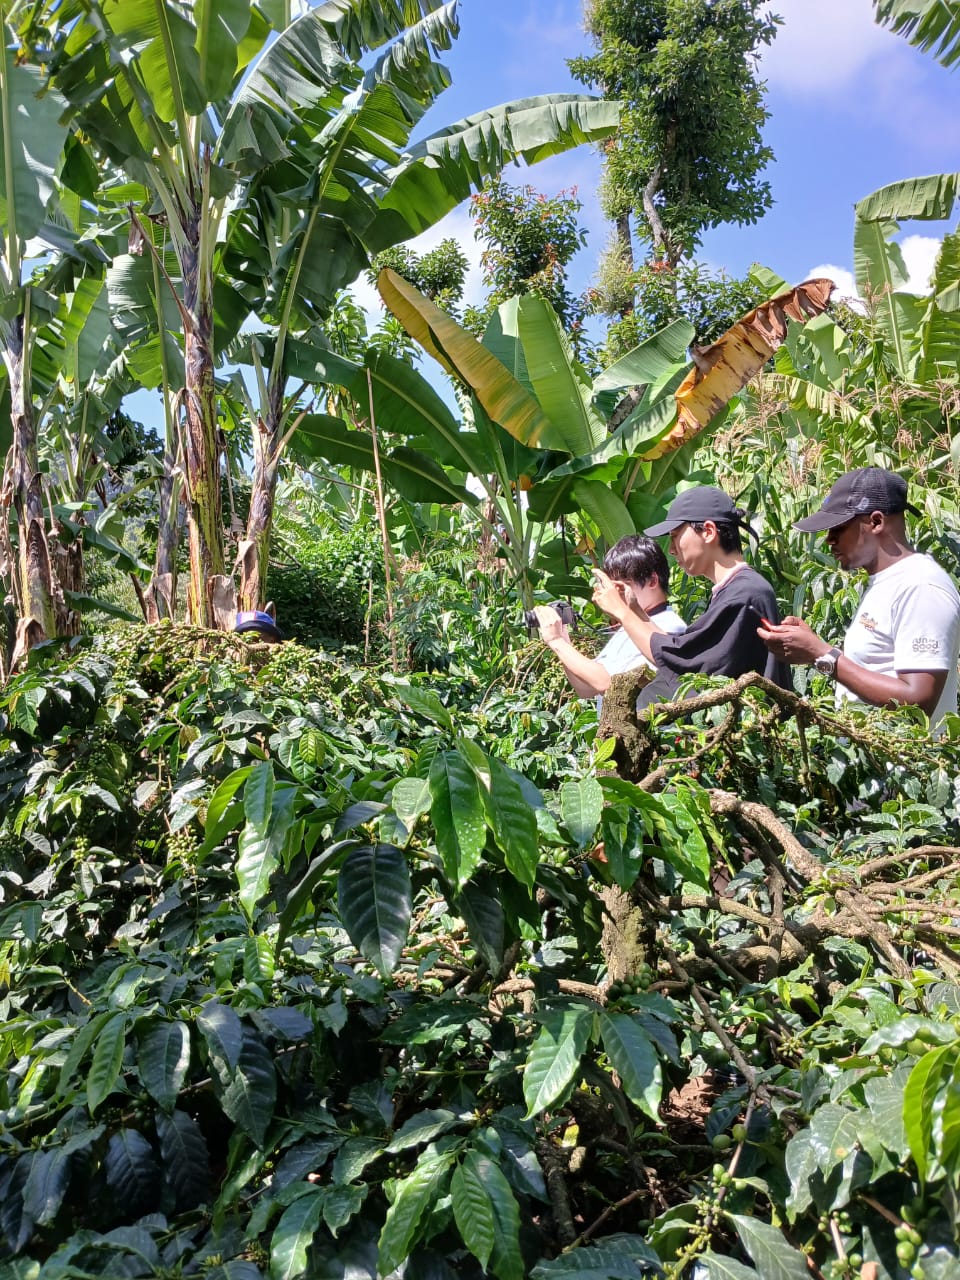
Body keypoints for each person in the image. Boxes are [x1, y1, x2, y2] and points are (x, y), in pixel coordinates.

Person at [758, 467, 960, 729]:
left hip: (908, 767)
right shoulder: (886, 582)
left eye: (838, 528)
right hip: (876, 765)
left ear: (876, 522)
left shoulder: (921, 586)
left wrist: (821, 654)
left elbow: (918, 703)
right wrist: (813, 650)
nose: (829, 540)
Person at [592, 486, 792, 707]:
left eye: (676, 535)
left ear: (708, 531)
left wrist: (621, 611)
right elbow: (681, 651)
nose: (672, 549)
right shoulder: (737, 589)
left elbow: (685, 663)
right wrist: (633, 609)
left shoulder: (744, 593)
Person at [533, 534, 686, 702]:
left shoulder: (669, 627)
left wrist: (556, 641)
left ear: (652, 581)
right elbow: (586, 688)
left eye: (620, 587)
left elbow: (609, 684)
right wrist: (562, 637)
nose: (613, 596)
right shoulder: (629, 627)